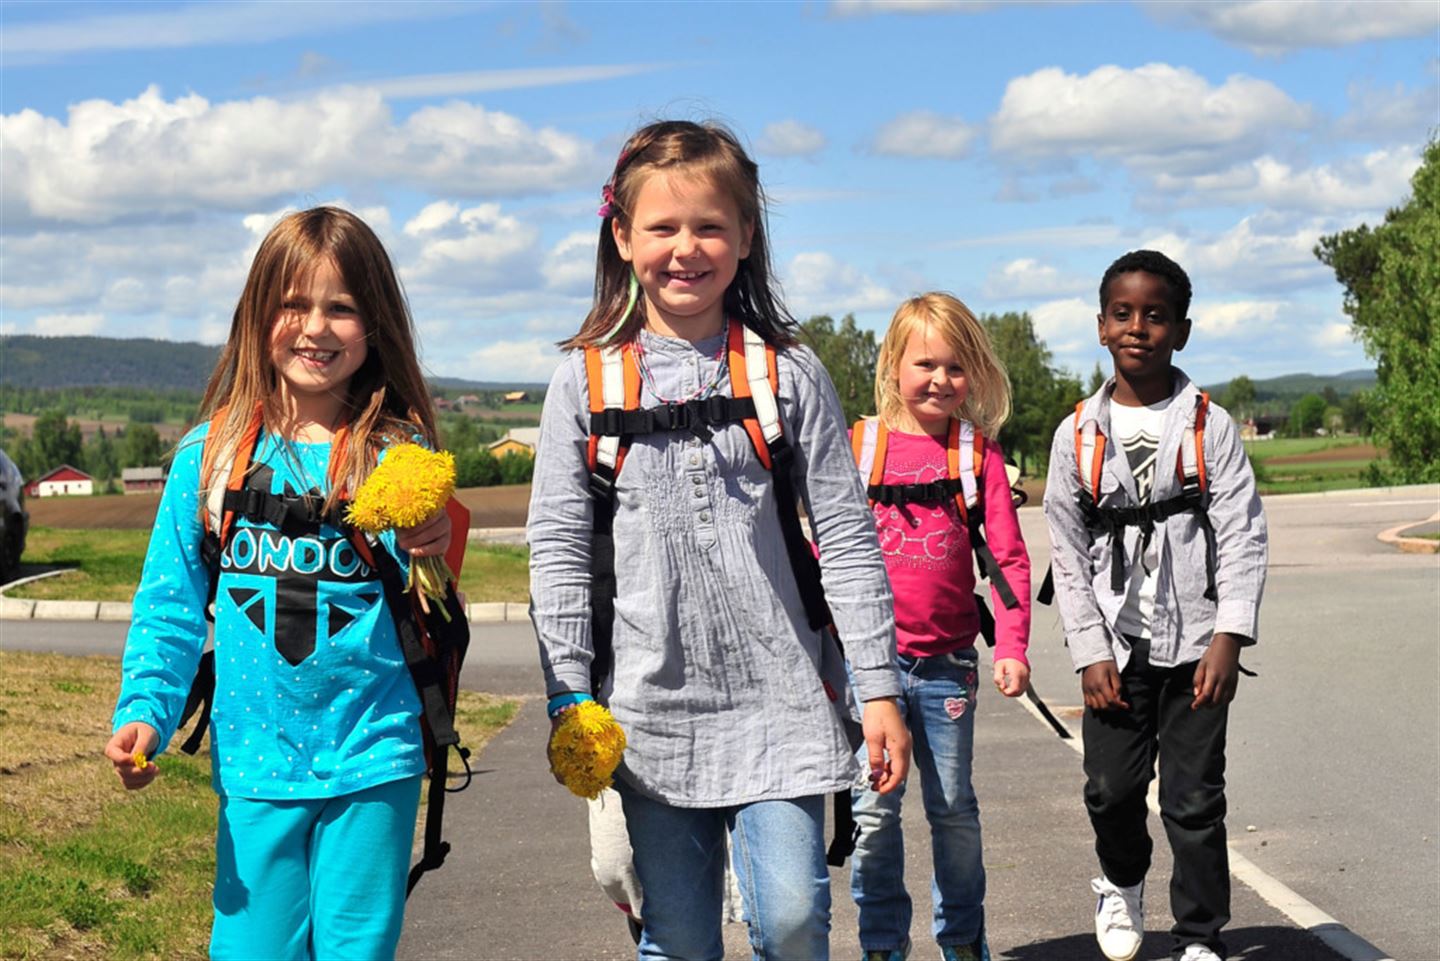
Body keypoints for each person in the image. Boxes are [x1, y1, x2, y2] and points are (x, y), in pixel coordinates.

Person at [527, 119, 911, 961]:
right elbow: (556, 545)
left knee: (793, 919)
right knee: (682, 938)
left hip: (782, 698)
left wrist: (877, 687)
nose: (685, 248)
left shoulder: (787, 371)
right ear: (622, 237)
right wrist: (566, 694)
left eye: (709, 226)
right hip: (647, 709)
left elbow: (847, 539)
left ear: (744, 237)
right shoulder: (585, 382)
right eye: (662, 227)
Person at [104, 207, 453, 960]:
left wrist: (436, 540)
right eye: (292, 304)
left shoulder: (401, 452)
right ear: (257, 314)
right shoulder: (210, 455)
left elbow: (433, 592)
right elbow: (169, 607)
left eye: (341, 307)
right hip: (256, 760)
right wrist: (146, 711)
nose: (315, 327)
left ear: (375, 322)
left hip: (374, 753)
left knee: (355, 951)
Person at [1043, 250, 1268, 961]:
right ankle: (1120, 879)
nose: (1138, 326)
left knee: (1193, 800)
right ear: (1101, 327)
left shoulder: (1210, 426)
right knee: (1111, 790)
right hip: (1116, 648)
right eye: (1123, 313)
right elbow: (1067, 552)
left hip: (1197, 646)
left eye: (1156, 315)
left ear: (1182, 330)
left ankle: (1200, 934)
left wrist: (1230, 635)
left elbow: (1242, 532)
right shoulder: (1076, 433)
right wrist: (1089, 651)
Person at [847, 293, 1032, 961]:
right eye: (925, 363)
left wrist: (1011, 645)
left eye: (956, 367)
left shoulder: (974, 453)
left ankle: (960, 938)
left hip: (946, 665)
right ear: (895, 364)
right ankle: (882, 944)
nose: (941, 379)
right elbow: (821, 555)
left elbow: (1008, 561)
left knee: (953, 807)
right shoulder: (858, 447)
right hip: (867, 672)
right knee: (873, 813)